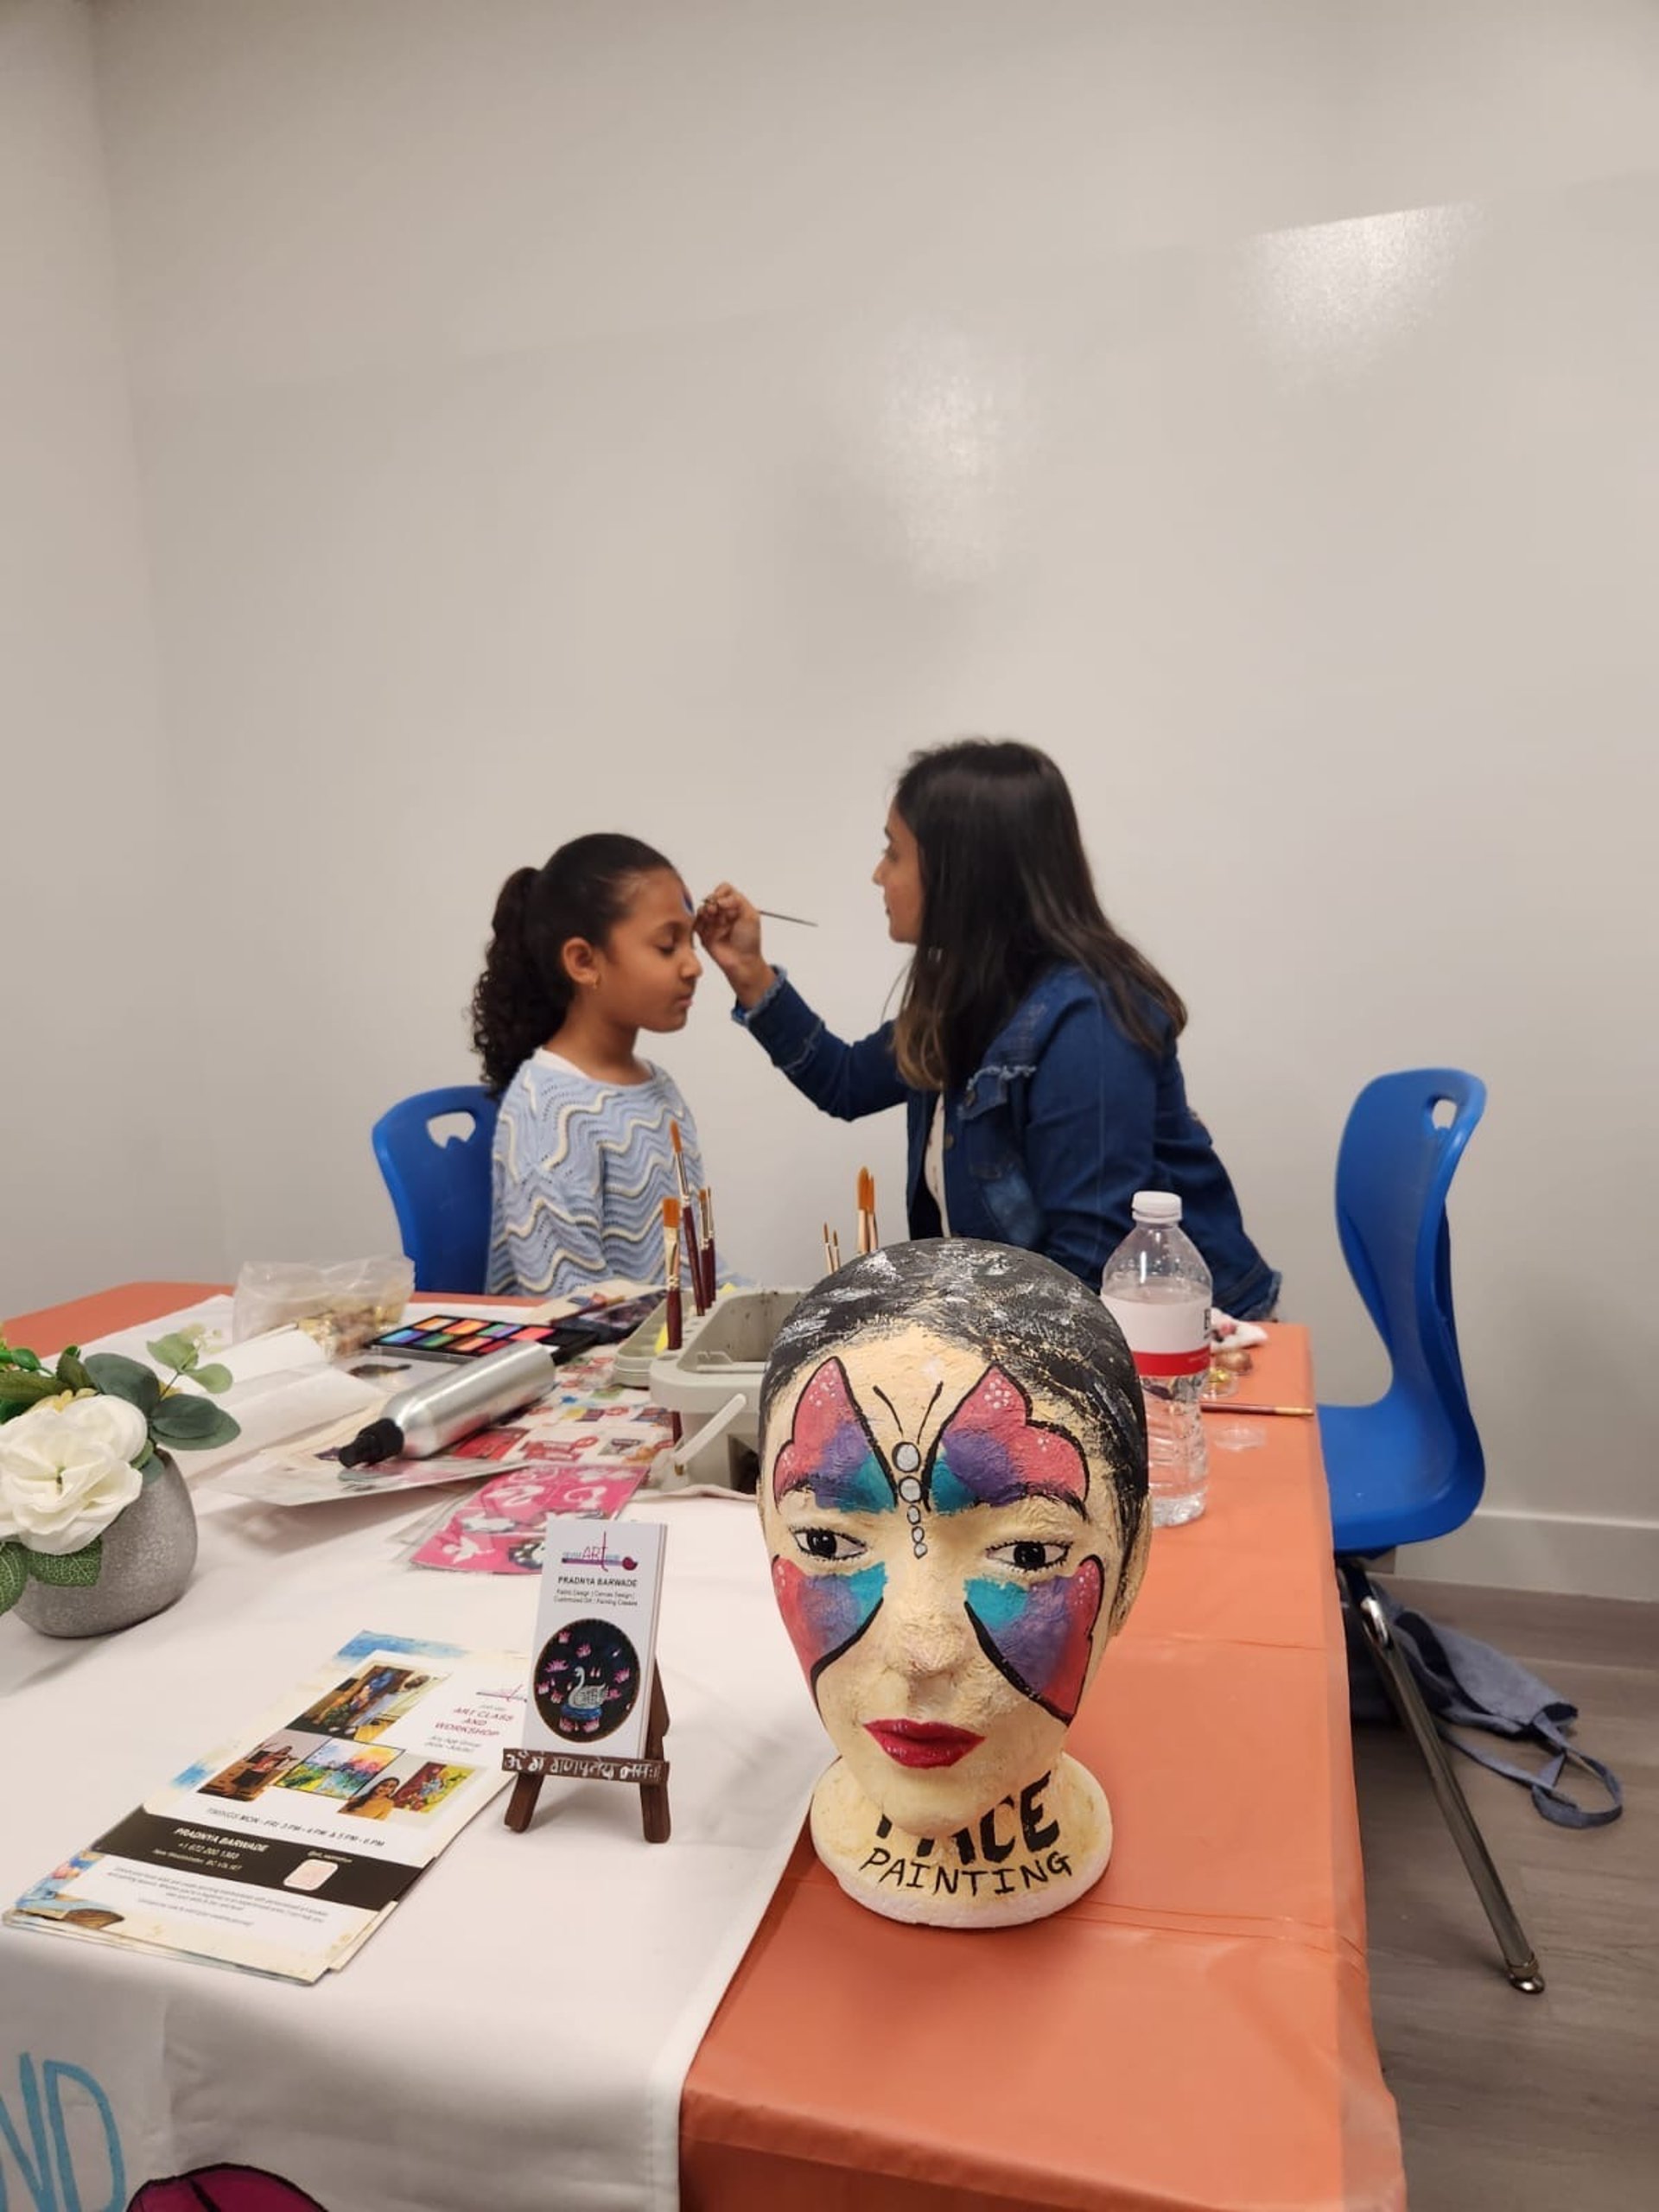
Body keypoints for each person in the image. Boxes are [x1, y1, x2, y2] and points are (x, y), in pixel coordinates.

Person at [697, 740, 1278, 1318]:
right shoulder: (968, 999)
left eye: (893, 853)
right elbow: (846, 1083)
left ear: (961, 871)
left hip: (1192, 1354)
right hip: (1055, 1330)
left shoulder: (1087, 1021)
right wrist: (747, 971)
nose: (878, 875)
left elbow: (1086, 1271)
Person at [473, 835, 706, 1299]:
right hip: (590, 1360)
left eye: (692, 942)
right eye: (667, 946)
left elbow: (695, 1270)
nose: (694, 966)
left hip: (661, 1349)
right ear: (583, 961)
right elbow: (571, 1302)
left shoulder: (658, 1088)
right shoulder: (549, 1112)